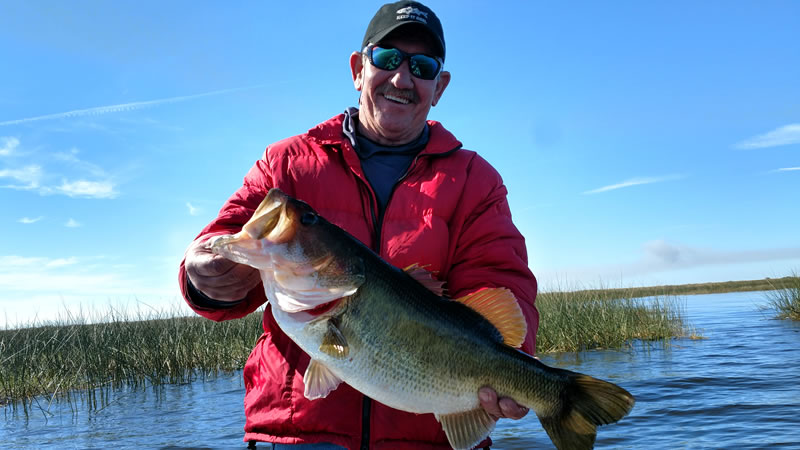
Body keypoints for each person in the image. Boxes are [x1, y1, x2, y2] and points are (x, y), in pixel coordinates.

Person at [179, 2, 538, 449]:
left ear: (439, 87)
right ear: (358, 68)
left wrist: (515, 367)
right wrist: (204, 275)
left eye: (422, 66)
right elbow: (224, 239)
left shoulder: (474, 180)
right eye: (386, 59)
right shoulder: (286, 162)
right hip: (298, 436)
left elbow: (499, 283)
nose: (402, 79)